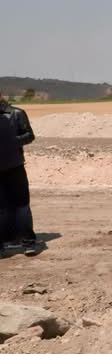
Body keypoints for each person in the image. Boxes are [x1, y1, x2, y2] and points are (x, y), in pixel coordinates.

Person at [0, 93, 38, 257]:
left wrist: (12, 142)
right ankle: (5, 241)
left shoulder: (17, 113)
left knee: (22, 204)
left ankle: (28, 242)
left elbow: (30, 135)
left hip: (14, 165)